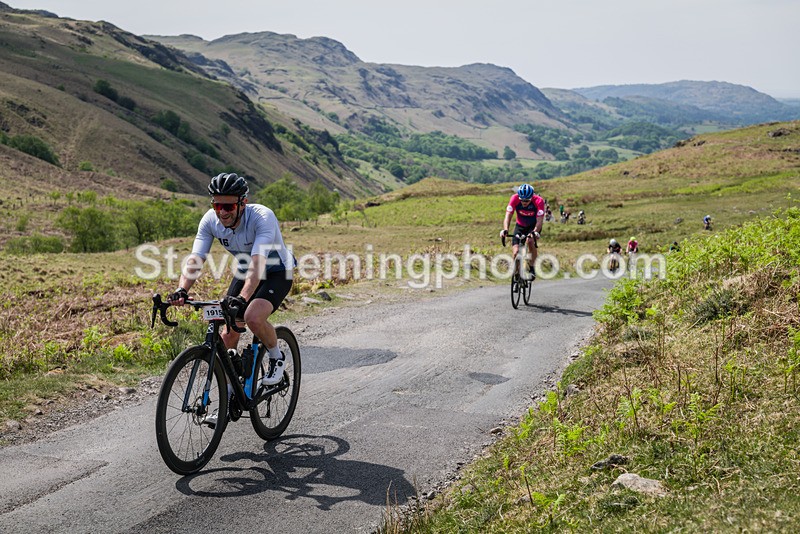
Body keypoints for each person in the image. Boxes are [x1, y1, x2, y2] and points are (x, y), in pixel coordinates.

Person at [168, 173, 295, 396]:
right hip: (247, 269)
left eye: (228, 206)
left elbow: (258, 265)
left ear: (242, 203)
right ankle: (229, 395)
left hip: (276, 270)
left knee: (252, 317)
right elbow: (196, 258)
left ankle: (277, 356)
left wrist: (243, 299)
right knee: (228, 334)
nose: (222, 212)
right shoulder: (210, 220)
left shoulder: (262, 217)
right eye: (217, 206)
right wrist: (182, 289)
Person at [501, 183, 545, 280]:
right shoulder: (514, 198)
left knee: (530, 241)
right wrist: (505, 229)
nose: (524, 202)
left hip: (533, 226)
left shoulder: (539, 201)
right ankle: (516, 273)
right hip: (520, 225)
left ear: (531, 197)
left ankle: (532, 268)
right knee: (516, 252)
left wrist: (535, 231)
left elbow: (540, 220)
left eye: (527, 200)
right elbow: (508, 216)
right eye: (522, 200)